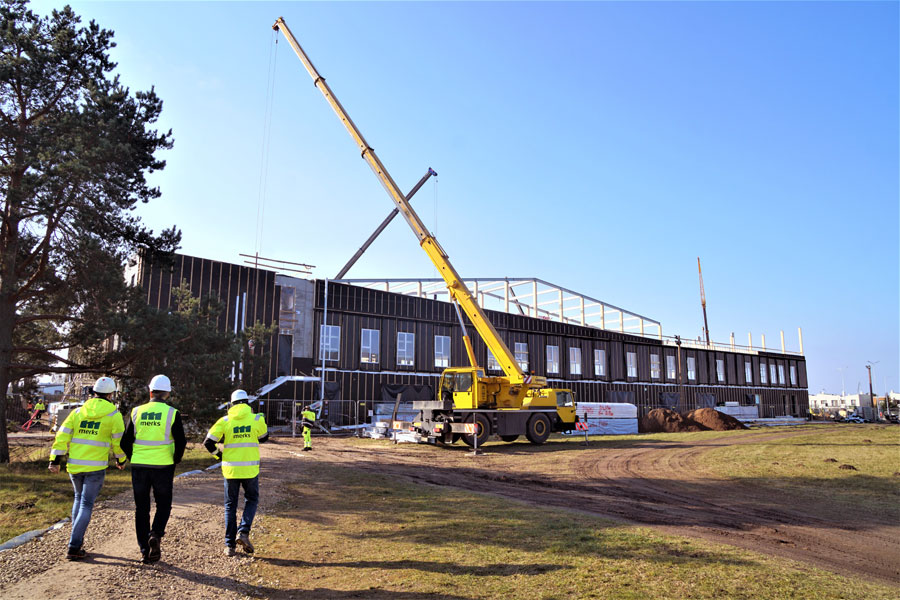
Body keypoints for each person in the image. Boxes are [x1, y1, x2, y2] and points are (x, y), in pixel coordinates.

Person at [48, 376, 126, 560]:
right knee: (86, 503)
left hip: (75, 466)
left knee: (78, 499)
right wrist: (121, 460)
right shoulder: (113, 415)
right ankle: (74, 545)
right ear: (111, 394)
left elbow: (62, 437)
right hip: (96, 468)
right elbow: (118, 442)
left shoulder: (77, 412)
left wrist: (55, 460)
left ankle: (77, 541)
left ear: (94, 392)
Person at [121, 374, 186, 564]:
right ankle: (156, 534)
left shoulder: (136, 411)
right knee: (164, 504)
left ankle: (144, 550)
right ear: (167, 394)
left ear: (150, 391)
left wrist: (133, 456)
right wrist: (176, 459)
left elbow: (125, 441)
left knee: (142, 508)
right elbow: (181, 441)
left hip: (140, 466)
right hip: (163, 466)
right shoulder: (172, 413)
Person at [204, 389, 268, 557]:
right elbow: (264, 437)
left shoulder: (225, 420)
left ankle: (229, 546)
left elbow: (208, 442)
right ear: (247, 403)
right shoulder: (256, 419)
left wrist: (219, 456)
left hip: (231, 469)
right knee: (252, 500)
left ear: (231, 404)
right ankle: (244, 532)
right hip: (250, 469)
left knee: (230, 506)